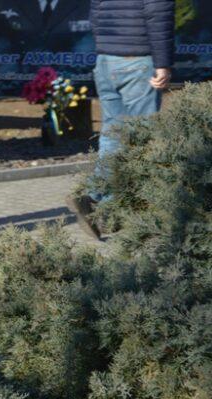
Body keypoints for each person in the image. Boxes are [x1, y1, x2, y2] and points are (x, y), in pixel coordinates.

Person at [67, 0, 174, 238]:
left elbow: (95, 17)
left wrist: (106, 48)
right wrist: (163, 64)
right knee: (141, 137)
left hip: (106, 61)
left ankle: (108, 207)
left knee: (113, 133)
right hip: (137, 61)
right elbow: (159, 18)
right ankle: (109, 201)